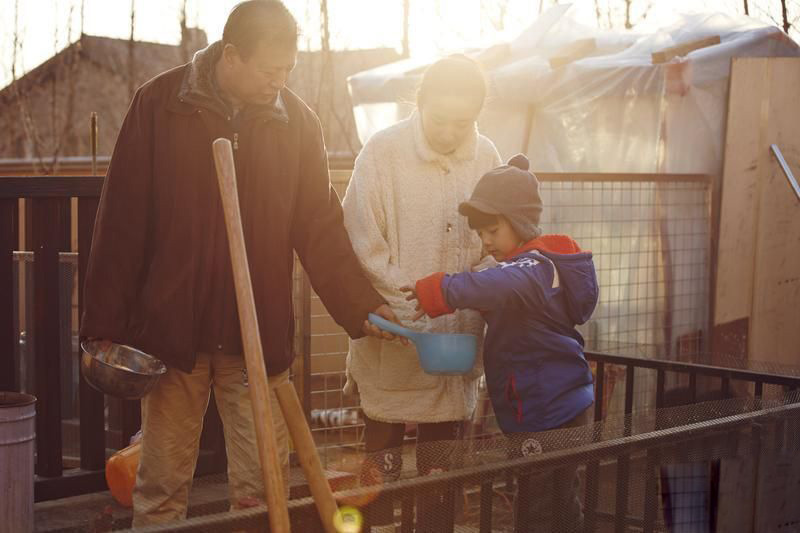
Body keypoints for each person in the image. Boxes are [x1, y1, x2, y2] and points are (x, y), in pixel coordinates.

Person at [80, 1, 399, 527]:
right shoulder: (162, 105)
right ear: (231, 56)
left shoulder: (296, 123)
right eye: (269, 70)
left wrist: (360, 306)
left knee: (262, 483)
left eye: (287, 71)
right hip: (173, 330)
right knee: (161, 485)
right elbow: (122, 220)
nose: (279, 81)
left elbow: (318, 226)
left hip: (257, 333)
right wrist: (104, 325)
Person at [341, 55, 502, 531]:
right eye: (440, 120)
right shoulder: (382, 152)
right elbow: (361, 241)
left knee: (441, 466)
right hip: (390, 331)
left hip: (456, 340)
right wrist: (411, 307)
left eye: (464, 122)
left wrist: (471, 291)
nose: (451, 133)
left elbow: (498, 244)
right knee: (380, 466)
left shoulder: (486, 156)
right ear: (420, 103)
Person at [405, 154, 598, 531]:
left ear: (520, 222)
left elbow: (497, 283)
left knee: (537, 512)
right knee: (557, 501)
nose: (486, 240)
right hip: (558, 408)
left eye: (492, 230)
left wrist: (440, 289)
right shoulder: (534, 266)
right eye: (479, 233)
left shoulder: (534, 267)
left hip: (548, 414)